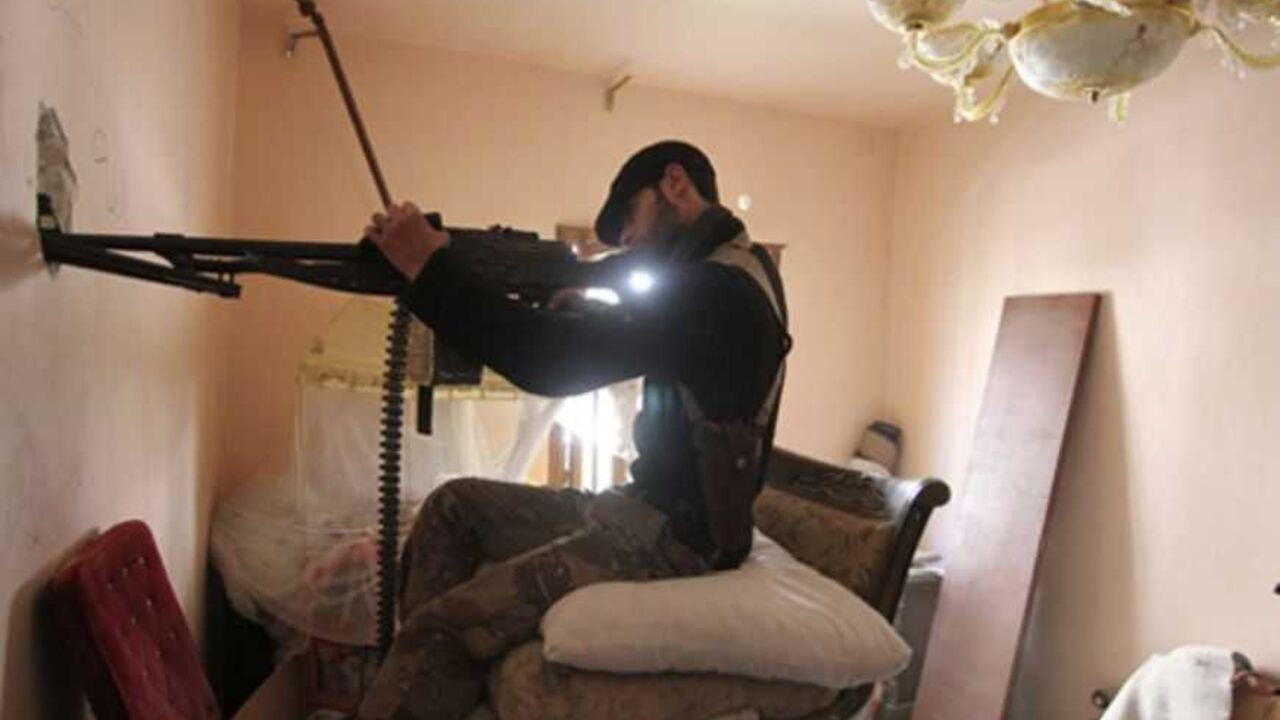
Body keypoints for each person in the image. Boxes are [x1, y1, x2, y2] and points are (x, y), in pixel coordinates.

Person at [357, 140, 791, 720]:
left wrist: (429, 269)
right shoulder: (734, 271)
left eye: (632, 225)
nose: (632, 245)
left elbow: (548, 363)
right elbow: (679, 344)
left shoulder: (716, 288)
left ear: (676, 184)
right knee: (453, 505)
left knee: (442, 628)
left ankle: (418, 681)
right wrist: (588, 307)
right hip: (639, 509)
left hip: (676, 544)